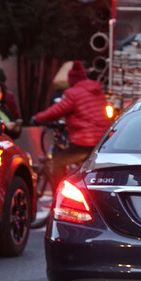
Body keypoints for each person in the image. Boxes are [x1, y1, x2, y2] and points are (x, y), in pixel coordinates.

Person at [32, 61, 112, 190]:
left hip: (85, 142)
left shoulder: (73, 93)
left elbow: (56, 111)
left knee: (58, 162)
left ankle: (59, 194)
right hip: (101, 140)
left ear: (71, 80)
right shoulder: (97, 90)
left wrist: (37, 118)